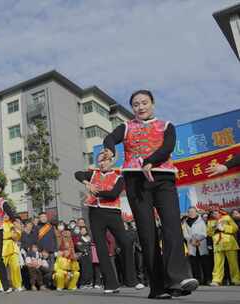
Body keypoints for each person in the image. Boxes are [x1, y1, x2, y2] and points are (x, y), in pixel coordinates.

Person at [103, 89, 198, 299]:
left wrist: (150, 161)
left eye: (144, 103)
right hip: (136, 181)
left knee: (172, 225)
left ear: (152, 104)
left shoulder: (166, 126)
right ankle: (158, 288)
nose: (140, 107)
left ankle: (178, 278)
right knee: (147, 233)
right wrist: (110, 150)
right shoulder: (126, 127)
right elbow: (110, 138)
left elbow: (167, 147)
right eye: (136, 104)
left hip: (163, 178)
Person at [74, 151, 142, 293]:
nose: (102, 163)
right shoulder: (92, 174)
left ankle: (132, 279)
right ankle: (111, 284)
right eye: (100, 161)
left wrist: (95, 191)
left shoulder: (119, 178)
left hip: (113, 214)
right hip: (95, 213)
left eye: (105, 160)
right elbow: (77, 174)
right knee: (101, 248)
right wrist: (87, 184)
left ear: (111, 161)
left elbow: (113, 194)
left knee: (126, 242)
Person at [207, 209, 240, 286]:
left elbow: (235, 228)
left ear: (219, 212)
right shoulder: (210, 221)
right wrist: (214, 228)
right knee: (217, 264)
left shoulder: (227, 217)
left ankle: (236, 279)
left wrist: (224, 227)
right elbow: (209, 233)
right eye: (212, 213)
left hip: (229, 243)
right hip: (218, 244)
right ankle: (216, 280)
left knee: (233, 263)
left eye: (216, 212)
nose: (214, 214)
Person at [182, 207, 212, 285]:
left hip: (201, 243)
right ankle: (197, 280)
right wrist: (191, 240)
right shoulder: (185, 222)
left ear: (196, 212)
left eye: (193, 211)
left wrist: (197, 239)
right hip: (191, 244)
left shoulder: (201, 221)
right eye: (189, 212)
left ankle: (207, 279)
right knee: (194, 264)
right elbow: (185, 234)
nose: (191, 213)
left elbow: (204, 233)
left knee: (205, 263)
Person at [0, 215, 23, 292]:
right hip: (3, 247)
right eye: (4, 214)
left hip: (13, 247)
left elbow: (17, 236)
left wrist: (17, 230)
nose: (6, 216)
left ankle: (17, 285)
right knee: (2, 267)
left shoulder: (13, 224)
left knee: (16, 266)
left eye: (7, 214)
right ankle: (1, 285)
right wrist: (10, 234)